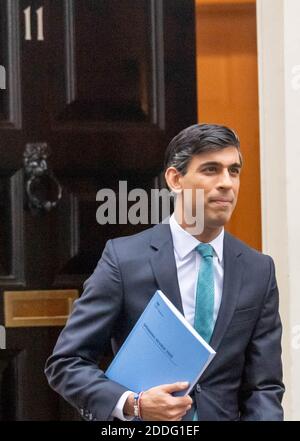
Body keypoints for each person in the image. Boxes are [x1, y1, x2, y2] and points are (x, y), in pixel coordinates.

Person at [45, 124, 284, 421]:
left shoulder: (259, 269)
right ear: (175, 178)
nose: (227, 183)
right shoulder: (124, 260)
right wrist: (133, 403)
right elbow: (67, 363)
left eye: (233, 171)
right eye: (211, 170)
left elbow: (263, 387)